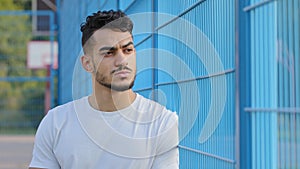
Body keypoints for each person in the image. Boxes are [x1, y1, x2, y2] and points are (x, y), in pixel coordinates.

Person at [29, 10, 179, 169]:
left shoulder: (162, 123)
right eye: (109, 53)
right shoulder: (55, 123)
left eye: (127, 50)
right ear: (87, 63)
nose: (122, 60)